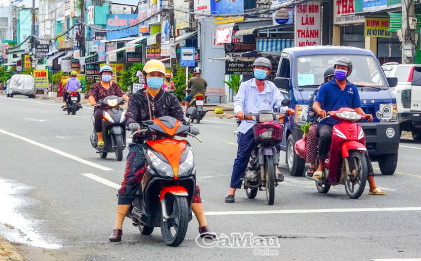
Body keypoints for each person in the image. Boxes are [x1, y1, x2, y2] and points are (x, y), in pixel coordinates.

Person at [109, 59, 216, 242]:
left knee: (189, 178)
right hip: (142, 144)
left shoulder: (170, 98)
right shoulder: (137, 98)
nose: (156, 78)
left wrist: (188, 127)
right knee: (131, 179)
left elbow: (180, 119)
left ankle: (204, 226)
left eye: (159, 75)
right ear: (145, 77)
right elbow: (130, 115)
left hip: (169, 145)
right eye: (152, 75)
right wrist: (132, 123)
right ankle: (117, 228)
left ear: (164, 79)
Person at [225, 57, 294, 203]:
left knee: (276, 138)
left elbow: (279, 102)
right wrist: (239, 111)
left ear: (268, 71)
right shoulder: (245, 86)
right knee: (242, 156)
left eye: (263, 68)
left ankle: (275, 167)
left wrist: (287, 109)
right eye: (258, 68)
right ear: (253, 69)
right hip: (248, 124)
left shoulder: (272, 87)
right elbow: (238, 102)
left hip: (267, 124)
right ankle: (231, 190)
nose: (260, 70)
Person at [312, 57, 385, 195]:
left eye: (343, 68)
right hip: (329, 123)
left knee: (363, 148)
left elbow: (356, 107)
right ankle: (321, 166)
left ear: (349, 71)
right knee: (325, 135)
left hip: (347, 124)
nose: (340, 70)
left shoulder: (352, 88)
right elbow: (316, 104)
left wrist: (365, 115)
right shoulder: (326, 87)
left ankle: (372, 185)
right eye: (337, 67)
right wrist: (319, 110)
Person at [87, 65, 129, 148]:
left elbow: (122, 94)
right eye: (105, 73)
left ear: (111, 75)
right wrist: (92, 101)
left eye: (108, 73)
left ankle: (123, 135)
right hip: (101, 108)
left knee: (124, 116)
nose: (107, 75)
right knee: (98, 115)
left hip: (114, 108)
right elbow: (91, 95)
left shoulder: (115, 86)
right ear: (101, 75)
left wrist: (128, 100)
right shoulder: (96, 86)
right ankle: (100, 137)